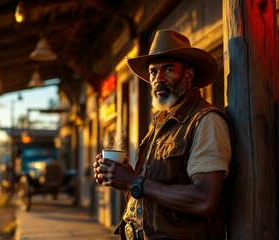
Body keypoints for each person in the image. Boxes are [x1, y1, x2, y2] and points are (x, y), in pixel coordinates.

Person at [93, 29, 232, 240]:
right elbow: (148, 194)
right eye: (153, 72)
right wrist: (121, 176)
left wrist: (134, 181)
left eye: (167, 69)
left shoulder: (206, 120)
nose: (158, 78)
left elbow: (203, 200)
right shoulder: (159, 124)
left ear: (188, 75)